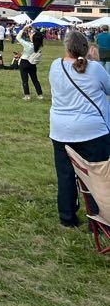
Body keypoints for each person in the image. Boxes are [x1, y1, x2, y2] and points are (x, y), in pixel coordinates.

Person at [47, 30, 110, 227]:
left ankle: (67, 217)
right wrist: (93, 61)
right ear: (88, 48)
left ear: (66, 46)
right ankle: (98, 220)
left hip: (61, 130)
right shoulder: (95, 68)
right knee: (97, 177)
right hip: (93, 131)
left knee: (65, 175)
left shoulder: (55, 66)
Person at [16, 26, 45, 101]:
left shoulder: (28, 45)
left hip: (24, 62)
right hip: (32, 63)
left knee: (25, 80)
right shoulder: (38, 45)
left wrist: (23, 29)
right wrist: (30, 34)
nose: (31, 34)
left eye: (32, 34)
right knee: (35, 79)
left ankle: (27, 95)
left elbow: (18, 37)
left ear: (33, 38)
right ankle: (40, 95)